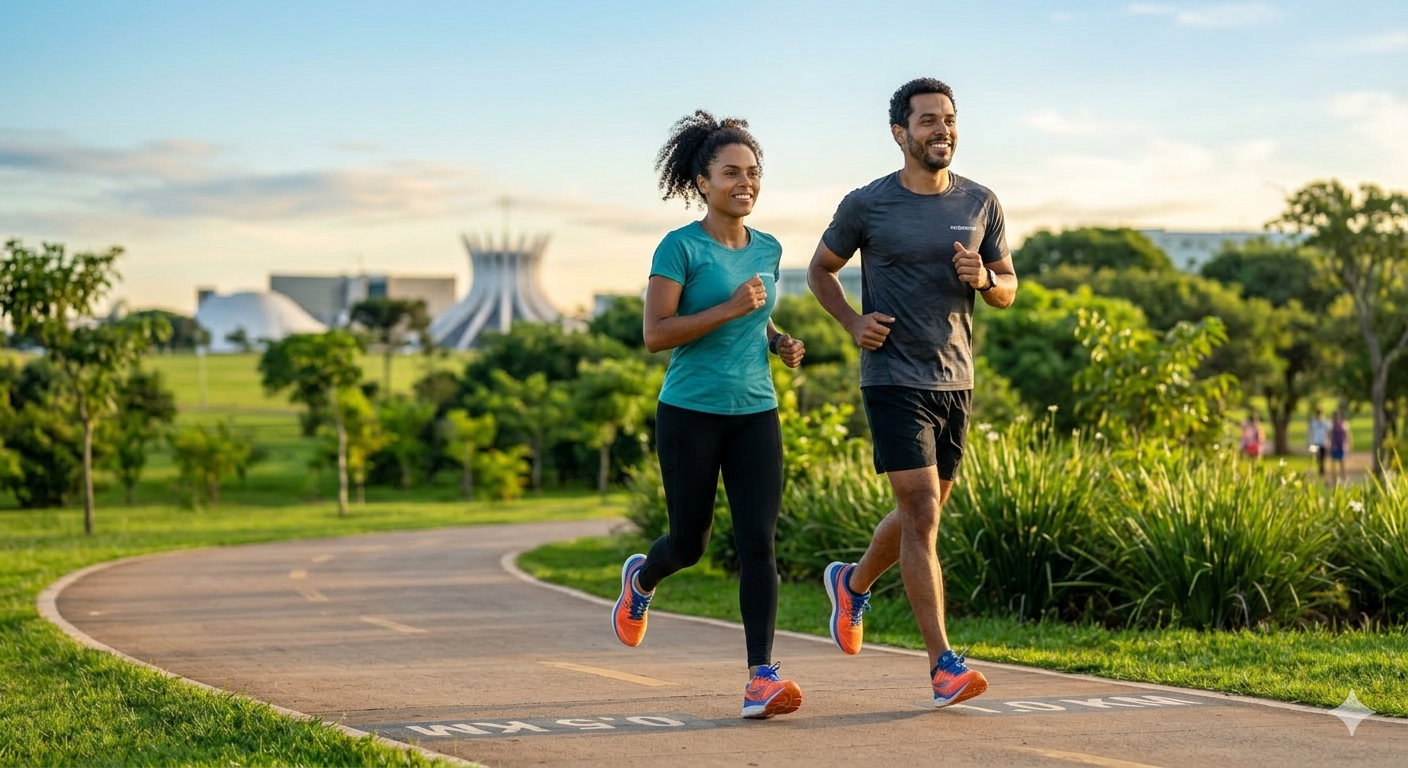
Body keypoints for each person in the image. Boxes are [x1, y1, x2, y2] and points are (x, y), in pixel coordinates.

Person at [806, 78, 1017, 708]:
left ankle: (852, 582)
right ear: (900, 133)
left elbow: (1008, 285)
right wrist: (851, 323)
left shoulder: (982, 201)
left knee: (921, 515)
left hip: (956, 378)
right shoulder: (868, 205)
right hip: (893, 376)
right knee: (922, 512)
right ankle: (943, 666)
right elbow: (821, 269)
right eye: (926, 121)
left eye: (948, 119)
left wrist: (986, 279)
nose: (940, 130)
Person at [612, 110, 807, 720]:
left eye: (753, 173)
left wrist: (777, 340)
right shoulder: (679, 247)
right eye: (731, 173)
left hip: (756, 412)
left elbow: (759, 312)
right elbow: (655, 333)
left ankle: (760, 678)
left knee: (758, 543)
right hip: (690, 413)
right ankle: (643, 580)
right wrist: (728, 309)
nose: (745, 183)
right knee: (691, 544)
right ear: (702, 181)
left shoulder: (769, 248)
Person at [1329, 410, 1351, 484]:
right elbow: (1329, 435)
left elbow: (1348, 435)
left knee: (1342, 464)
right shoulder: (1331, 425)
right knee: (1333, 464)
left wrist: (1348, 444)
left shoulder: (1344, 424)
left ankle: (1344, 478)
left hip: (1341, 446)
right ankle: (1334, 480)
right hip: (1334, 446)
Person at [1307, 408, 1330, 480]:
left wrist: (1328, 441)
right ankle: (1318, 473)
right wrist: (1309, 443)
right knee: (1316, 458)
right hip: (1315, 443)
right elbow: (1309, 433)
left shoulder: (1326, 423)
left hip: (1323, 443)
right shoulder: (1313, 423)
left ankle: (1322, 473)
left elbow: (1329, 432)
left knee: (1323, 459)